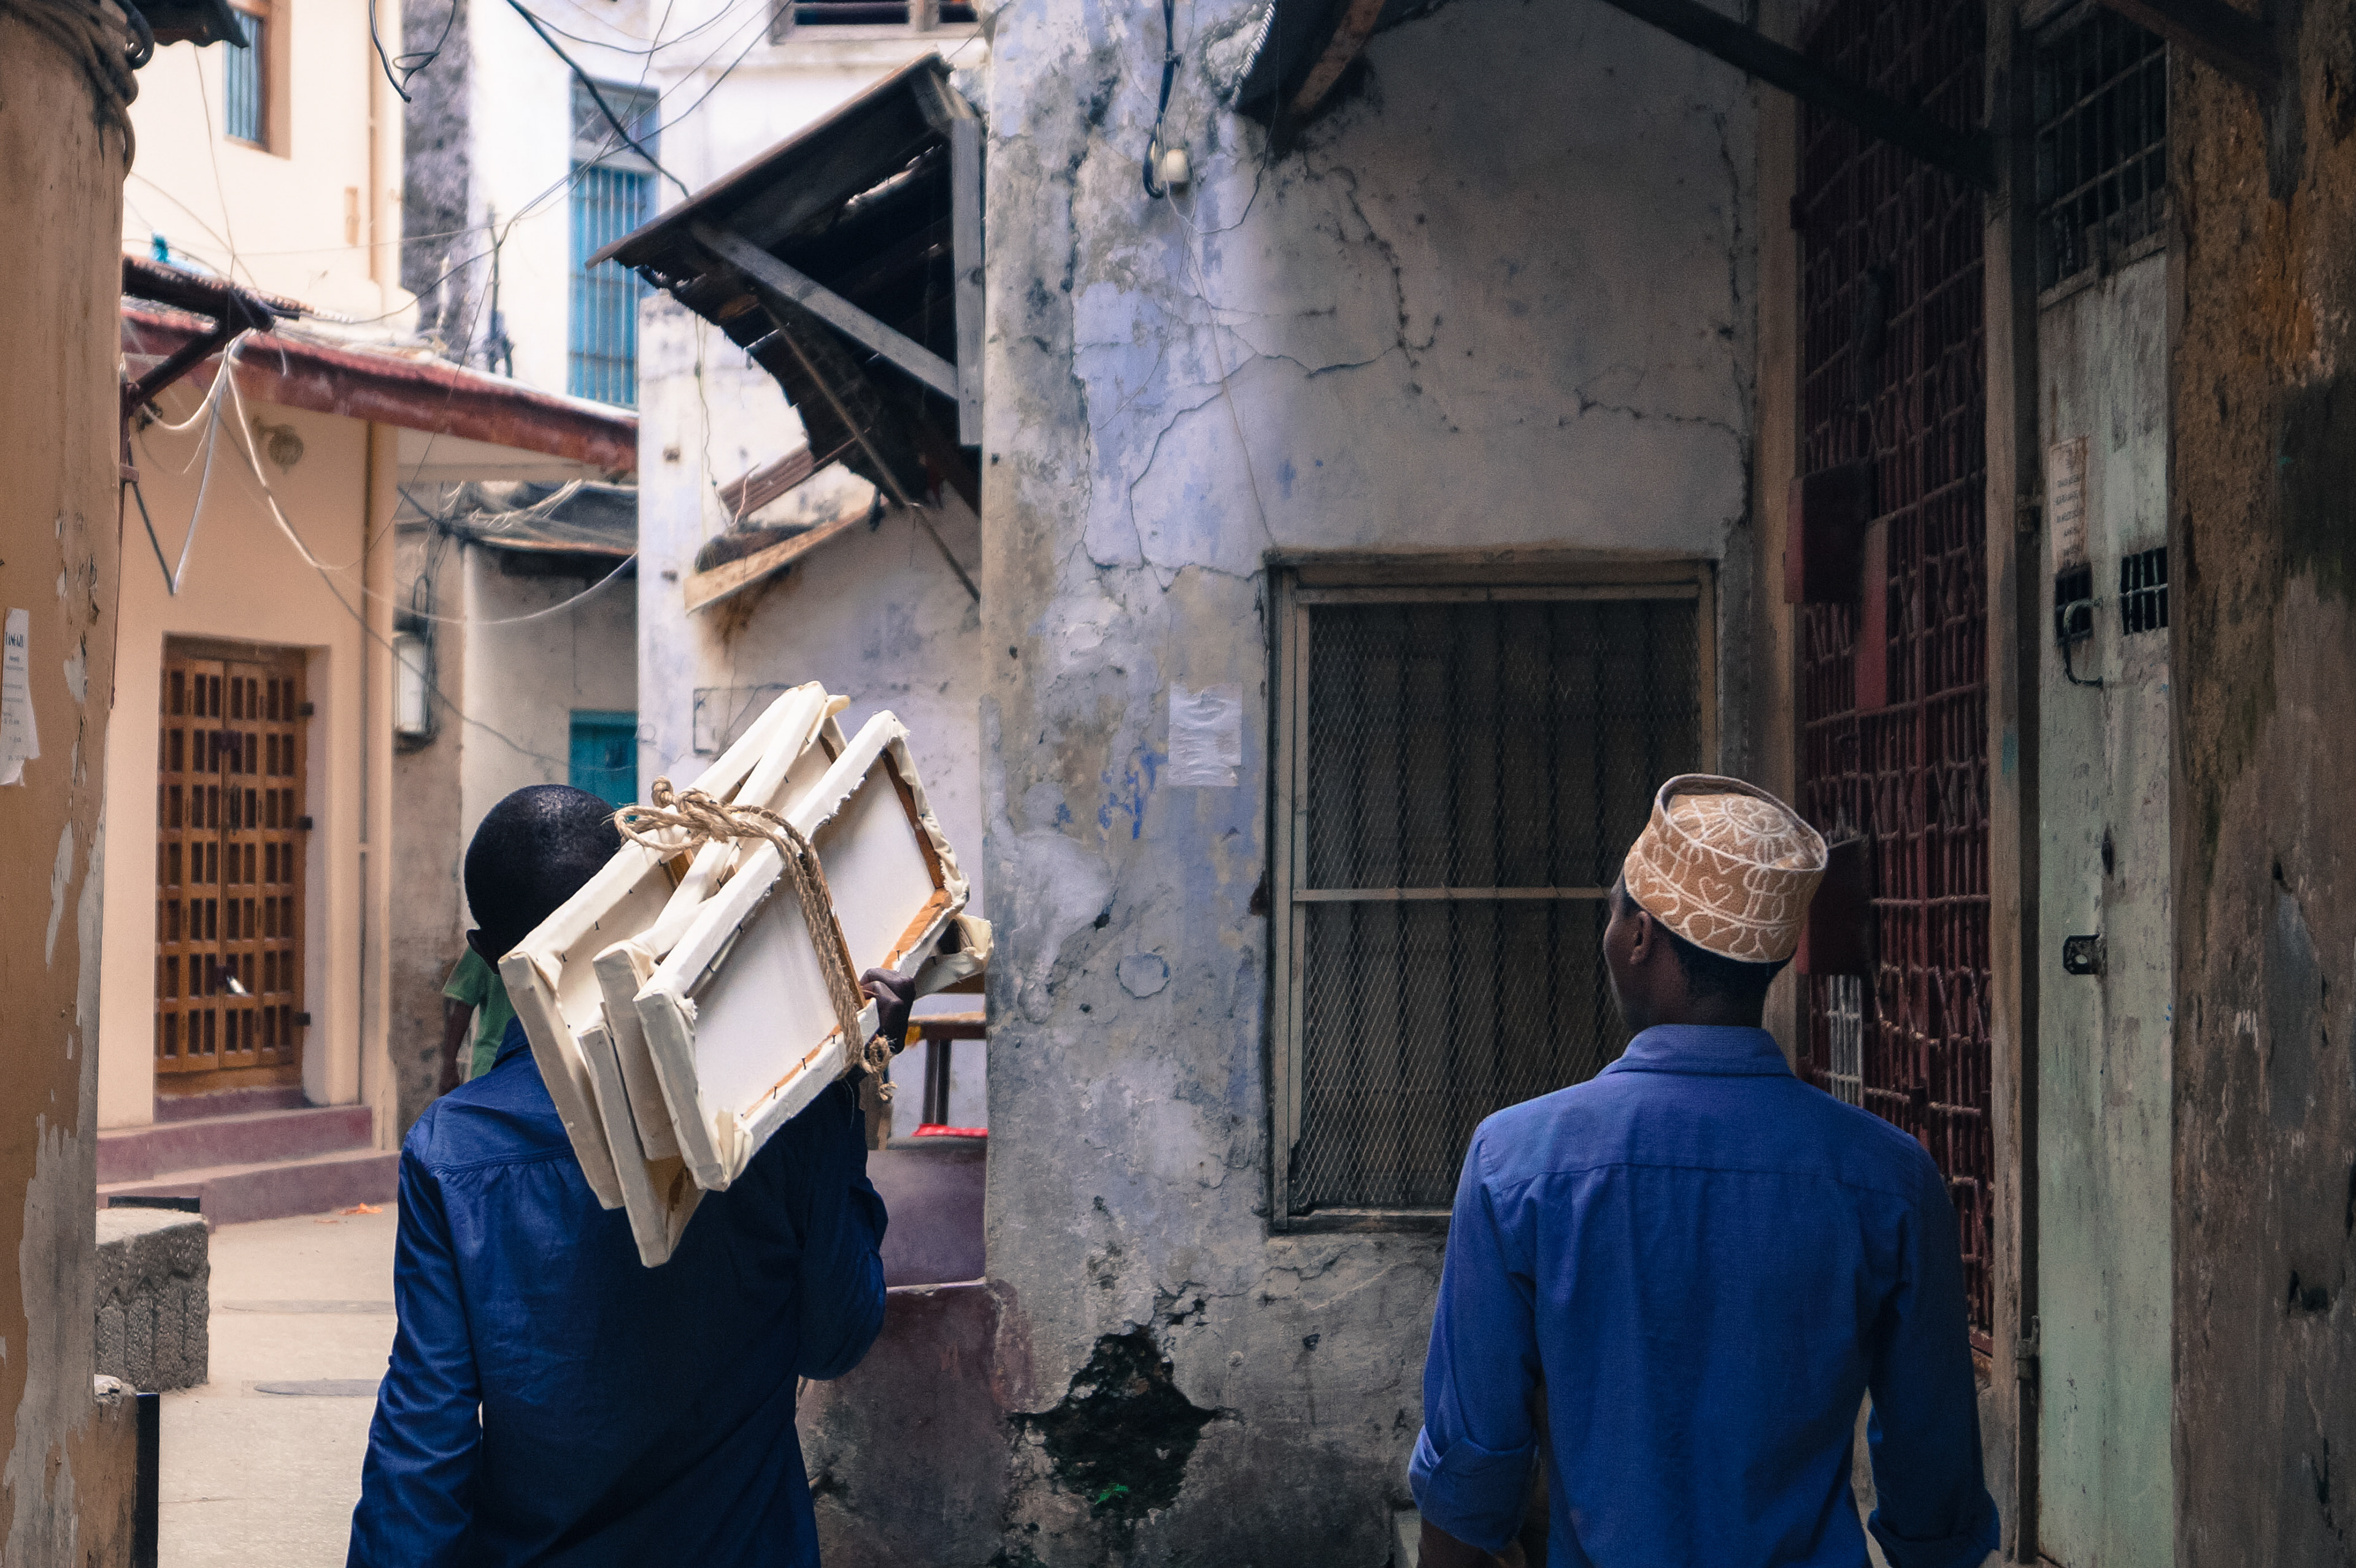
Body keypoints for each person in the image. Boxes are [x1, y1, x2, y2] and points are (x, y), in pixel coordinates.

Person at [1411, 775, 2000, 1568]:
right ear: (1777, 957)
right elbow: (1935, 1492)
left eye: (1614, 912)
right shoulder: (1888, 1178)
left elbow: (1470, 1480)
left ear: (1642, 936)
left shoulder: (1516, 1165)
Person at [348, 784, 904, 1566]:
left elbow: (424, 1442)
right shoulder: (774, 1104)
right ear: (648, 902)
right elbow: (836, 1341)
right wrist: (847, 1096)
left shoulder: (454, 1152)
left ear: (489, 957)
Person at [434, 943, 513, 1096]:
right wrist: (449, 1066)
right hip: (499, 1064)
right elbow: (463, 1006)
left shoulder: (485, 939)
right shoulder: (554, 933)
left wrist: (449, 1067)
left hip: (493, 1063)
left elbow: (462, 1006)